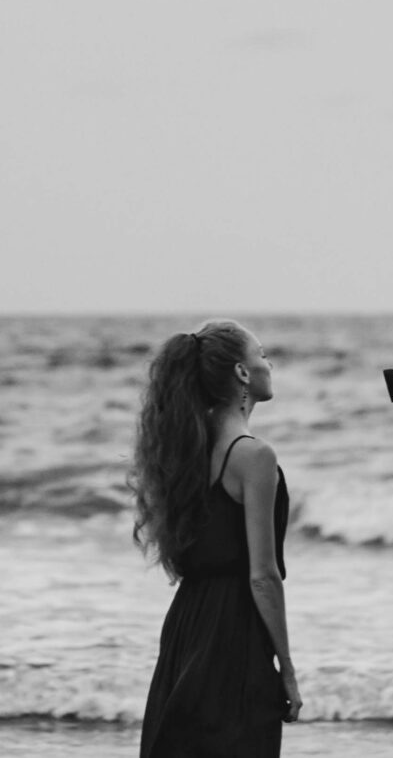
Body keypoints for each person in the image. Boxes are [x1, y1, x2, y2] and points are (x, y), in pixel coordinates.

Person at [130, 319, 302, 756]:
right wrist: (287, 669)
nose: (268, 363)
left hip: (187, 625)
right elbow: (262, 576)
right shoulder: (253, 456)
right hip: (233, 633)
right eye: (261, 355)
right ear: (242, 373)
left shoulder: (184, 451)